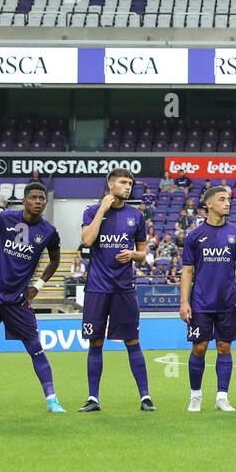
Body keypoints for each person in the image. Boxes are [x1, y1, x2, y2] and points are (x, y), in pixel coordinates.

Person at [0, 183, 65, 415]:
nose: (39, 201)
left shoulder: (49, 231)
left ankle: (52, 400)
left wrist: (37, 287)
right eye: (34, 198)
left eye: (42, 198)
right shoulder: (5, 218)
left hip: (18, 301)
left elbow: (55, 261)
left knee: (35, 349)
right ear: (24, 200)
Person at [77, 168, 153, 413]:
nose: (127, 186)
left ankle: (145, 397)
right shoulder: (91, 211)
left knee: (132, 340)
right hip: (97, 288)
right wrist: (102, 209)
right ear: (110, 184)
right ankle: (93, 398)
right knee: (95, 341)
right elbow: (87, 240)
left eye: (130, 183)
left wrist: (133, 254)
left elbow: (144, 253)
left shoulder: (136, 216)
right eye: (123, 182)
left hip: (124, 288)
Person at [180, 186, 236, 413]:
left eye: (228, 199)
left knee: (224, 347)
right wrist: (184, 301)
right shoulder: (194, 235)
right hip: (201, 302)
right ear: (209, 204)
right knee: (199, 348)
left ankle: (222, 397)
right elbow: (187, 271)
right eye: (222, 199)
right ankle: (195, 396)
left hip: (227, 302)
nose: (227, 203)